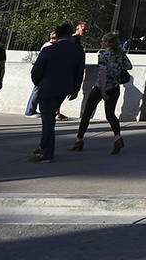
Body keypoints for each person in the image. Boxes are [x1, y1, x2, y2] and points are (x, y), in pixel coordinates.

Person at [30, 23, 86, 163]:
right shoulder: (78, 50)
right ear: (69, 34)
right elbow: (79, 72)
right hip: (64, 89)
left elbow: (36, 71)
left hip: (47, 88)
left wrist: (39, 83)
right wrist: (75, 89)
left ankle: (47, 152)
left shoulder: (49, 50)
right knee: (49, 119)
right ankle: (43, 146)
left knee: (48, 121)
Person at [69, 31, 132, 155]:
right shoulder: (121, 54)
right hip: (115, 87)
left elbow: (102, 72)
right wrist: (117, 67)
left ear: (108, 43)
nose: (101, 43)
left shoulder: (103, 54)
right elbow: (129, 67)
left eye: (103, 41)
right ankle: (117, 137)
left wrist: (102, 90)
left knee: (87, 113)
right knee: (110, 114)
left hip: (100, 87)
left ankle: (79, 140)